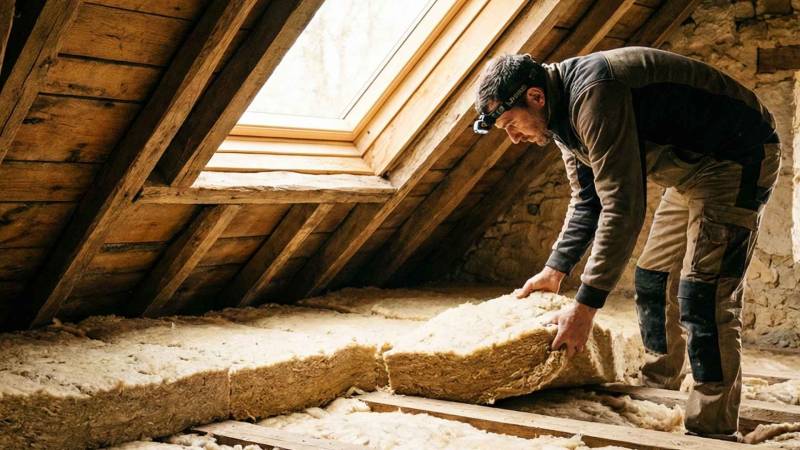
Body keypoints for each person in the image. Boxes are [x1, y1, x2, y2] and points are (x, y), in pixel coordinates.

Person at [472, 47, 780, 441]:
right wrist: (555, 269)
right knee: (652, 278)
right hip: (689, 168)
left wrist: (585, 307)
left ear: (535, 97)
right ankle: (658, 383)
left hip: (736, 158)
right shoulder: (560, 115)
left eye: (511, 125)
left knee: (704, 295)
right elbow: (588, 200)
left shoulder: (595, 94)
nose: (513, 139)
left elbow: (622, 206)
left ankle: (712, 428)